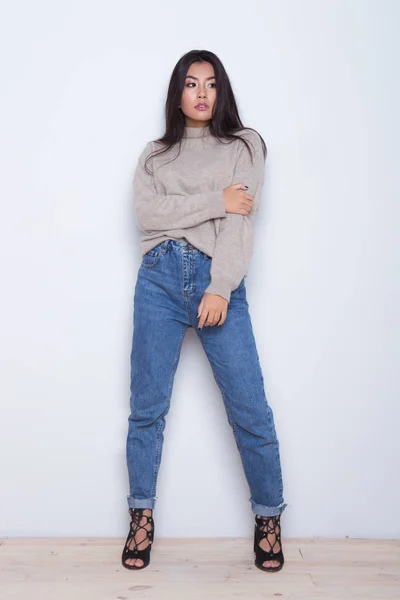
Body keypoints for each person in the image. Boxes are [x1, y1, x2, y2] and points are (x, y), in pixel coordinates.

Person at [122, 49, 287, 573]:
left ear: (221, 91)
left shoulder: (244, 145)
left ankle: (268, 517)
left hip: (218, 282)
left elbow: (242, 223)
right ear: (177, 93)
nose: (200, 93)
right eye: (190, 84)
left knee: (250, 410)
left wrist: (220, 286)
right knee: (147, 409)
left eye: (210, 84)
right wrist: (218, 199)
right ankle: (140, 518)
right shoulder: (154, 155)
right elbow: (147, 213)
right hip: (159, 281)